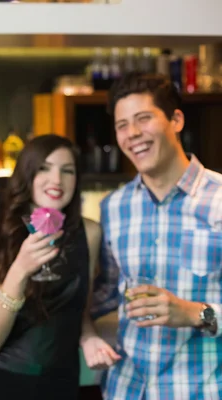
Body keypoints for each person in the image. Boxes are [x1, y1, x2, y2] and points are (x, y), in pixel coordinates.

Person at [92, 71, 222, 399]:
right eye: (122, 125)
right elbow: (102, 297)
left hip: (201, 389)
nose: (133, 133)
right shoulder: (113, 207)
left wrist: (194, 313)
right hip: (127, 388)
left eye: (144, 118)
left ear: (176, 119)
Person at [0, 134, 119, 400]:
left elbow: (79, 310)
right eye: (44, 168)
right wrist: (20, 269)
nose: (57, 180)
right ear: (27, 175)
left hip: (61, 382)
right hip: (0, 384)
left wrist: (89, 337)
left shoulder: (90, 233)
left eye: (67, 171)